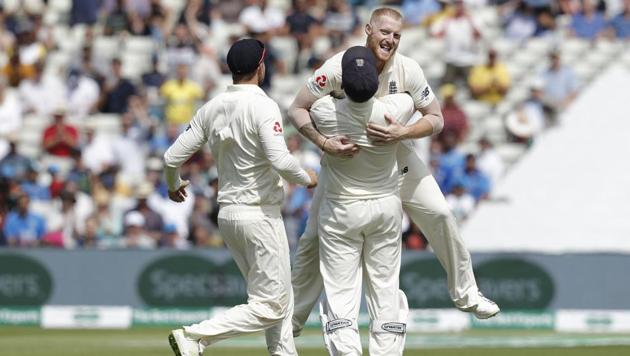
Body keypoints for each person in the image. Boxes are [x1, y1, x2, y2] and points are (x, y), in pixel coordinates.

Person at [287, 7, 499, 338]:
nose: (391, 40)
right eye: (385, 32)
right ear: (368, 30)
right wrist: (323, 141)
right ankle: (292, 321)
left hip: (398, 155)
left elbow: (436, 118)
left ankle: (467, 294)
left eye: (397, 35)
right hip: (346, 165)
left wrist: (404, 133)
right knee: (312, 239)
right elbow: (297, 107)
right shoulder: (337, 66)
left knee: (441, 213)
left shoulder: (408, 69)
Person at [164, 39, 317, 356]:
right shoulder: (263, 105)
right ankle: (195, 336)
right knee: (272, 305)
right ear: (261, 68)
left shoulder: (213, 106)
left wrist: (173, 183)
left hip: (229, 216)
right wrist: (307, 178)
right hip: (259, 216)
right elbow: (280, 159)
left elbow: (170, 158)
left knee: (277, 298)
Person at [309, 46, 415, 356]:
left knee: (341, 293)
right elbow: (412, 99)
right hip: (384, 208)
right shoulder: (394, 109)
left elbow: (310, 103)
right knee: (384, 288)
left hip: (341, 210)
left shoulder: (325, 113)